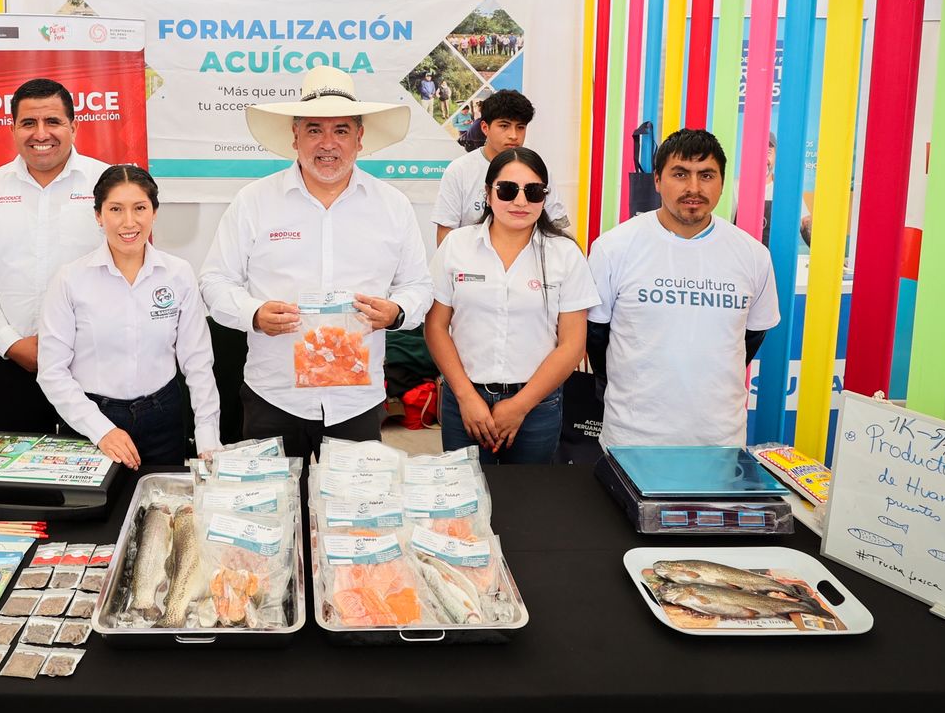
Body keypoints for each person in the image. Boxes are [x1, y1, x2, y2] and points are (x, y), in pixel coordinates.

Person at [200, 65, 433, 460]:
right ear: (295, 137)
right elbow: (215, 280)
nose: (328, 144)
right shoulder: (253, 202)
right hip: (274, 396)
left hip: (356, 401)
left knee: (352, 499)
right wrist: (254, 313)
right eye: (314, 130)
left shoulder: (393, 206)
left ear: (359, 138)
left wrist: (396, 312)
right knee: (273, 498)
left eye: (341, 130)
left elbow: (419, 286)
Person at [586, 128, 780, 449]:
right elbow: (596, 336)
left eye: (706, 175)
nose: (694, 188)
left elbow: (751, 337)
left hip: (720, 440)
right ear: (657, 180)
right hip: (632, 438)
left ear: (722, 183)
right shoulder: (613, 248)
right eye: (680, 174)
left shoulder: (753, 255)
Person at [37, 165, 221, 468]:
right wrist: (102, 430)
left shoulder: (178, 274)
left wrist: (207, 435)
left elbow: (198, 361)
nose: (129, 222)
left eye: (139, 208)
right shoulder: (70, 280)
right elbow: (52, 371)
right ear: (98, 216)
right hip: (90, 421)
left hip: (163, 418)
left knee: (162, 497)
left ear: (154, 212)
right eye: (115, 209)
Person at [425, 147, 598, 463]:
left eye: (533, 192)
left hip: (537, 406)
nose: (520, 201)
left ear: (544, 197)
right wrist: (466, 396)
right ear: (488, 194)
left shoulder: (565, 254)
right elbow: (436, 326)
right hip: (465, 402)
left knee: (528, 492)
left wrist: (520, 405)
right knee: (465, 491)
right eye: (507, 190)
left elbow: (573, 344)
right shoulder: (456, 246)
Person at [0, 78, 110, 436]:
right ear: (12, 129)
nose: (41, 133)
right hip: (14, 364)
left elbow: (129, 265)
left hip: (95, 363)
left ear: (73, 126)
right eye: (29, 123)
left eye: (53, 121)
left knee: (98, 464)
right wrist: (10, 342)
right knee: (17, 469)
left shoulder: (106, 183)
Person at [433, 89, 570, 245]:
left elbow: (557, 227)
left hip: (528, 258)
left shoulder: (538, 168)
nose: (513, 135)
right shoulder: (459, 170)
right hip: (471, 259)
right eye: (504, 126)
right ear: (485, 128)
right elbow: (446, 232)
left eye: (520, 127)